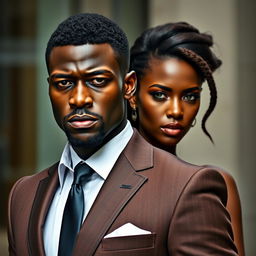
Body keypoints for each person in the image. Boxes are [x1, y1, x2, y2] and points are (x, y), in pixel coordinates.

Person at [7, 13, 238, 256]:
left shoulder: (187, 188)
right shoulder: (23, 195)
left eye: (97, 80)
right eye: (64, 83)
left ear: (128, 86)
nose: (78, 99)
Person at [128, 22, 244, 255]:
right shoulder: (97, 177)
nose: (176, 111)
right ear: (132, 93)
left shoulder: (217, 184)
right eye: (160, 95)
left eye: (190, 97)